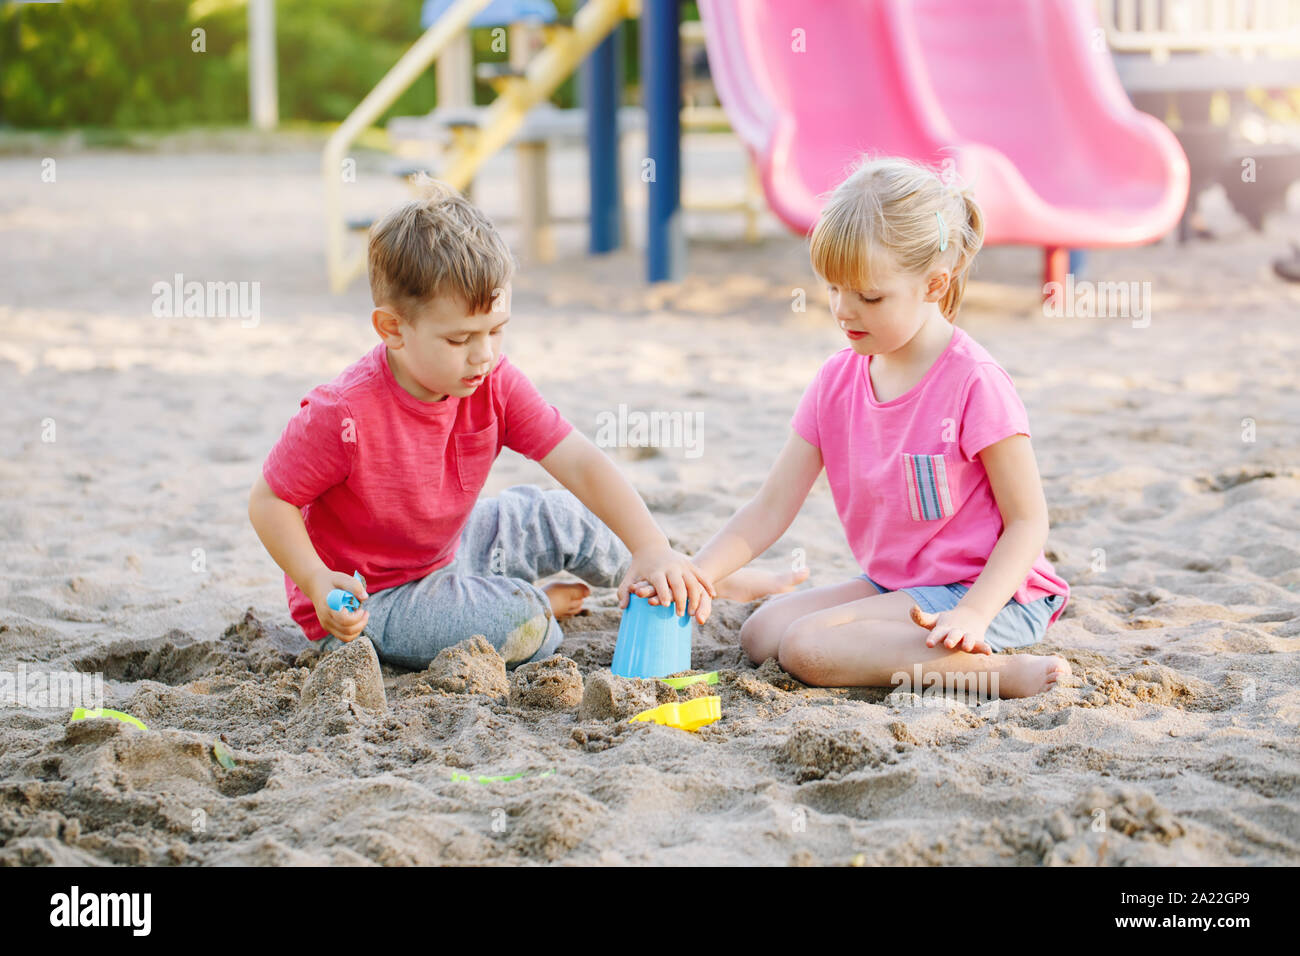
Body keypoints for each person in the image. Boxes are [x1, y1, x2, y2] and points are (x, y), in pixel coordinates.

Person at [248, 182, 800, 670]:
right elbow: (269, 500)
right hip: (375, 600)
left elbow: (580, 461)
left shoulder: (493, 381)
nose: (483, 355)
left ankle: (695, 577)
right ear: (393, 328)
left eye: (497, 331)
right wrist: (318, 580)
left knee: (560, 513)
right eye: (460, 339)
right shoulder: (343, 412)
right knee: (527, 623)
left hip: (450, 550)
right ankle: (530, 599)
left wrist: (650, 546)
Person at [637, 155, 1072, 699]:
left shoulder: (974, 381)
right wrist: (696, 574)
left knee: (806, 649)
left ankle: (995, 675)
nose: (844, 311)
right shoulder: (836, 380)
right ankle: (922, 652)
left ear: (935, 285)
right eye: (834, 289)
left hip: (990, 594)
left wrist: (975, 613)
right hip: (899, 585)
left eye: (868, 296)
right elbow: (771, 507)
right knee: (763, 633)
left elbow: (1029, 522)